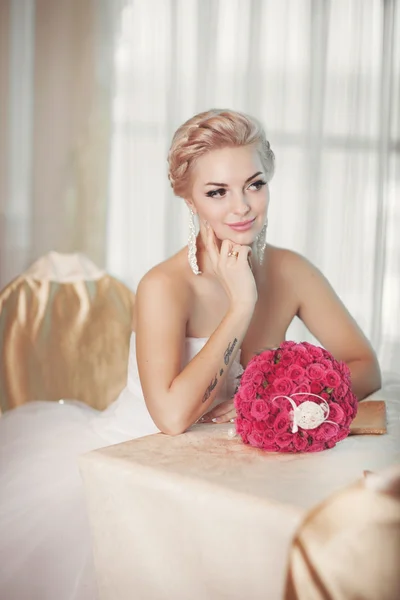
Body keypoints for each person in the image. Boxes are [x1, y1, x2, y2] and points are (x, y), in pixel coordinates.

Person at [0, 109, 382, 600]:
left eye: (255, 184)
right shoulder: (164, 286)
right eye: (217, 191)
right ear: (188, 198)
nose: (241, 207)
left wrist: (296, 403)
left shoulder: (291, 271)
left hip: (230, 466)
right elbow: (174, 418)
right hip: (133, 465)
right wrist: (240, 305)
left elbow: (363, 363)